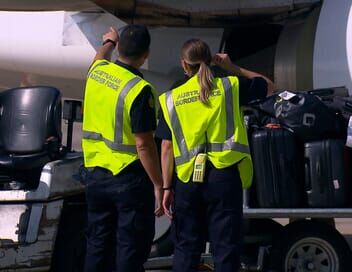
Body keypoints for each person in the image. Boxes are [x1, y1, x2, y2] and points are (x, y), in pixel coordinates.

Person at [156, 38, 273, 272]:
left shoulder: (171, 98)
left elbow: (167, 147)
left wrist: (167, 188)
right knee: (226, 247)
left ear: (183, 65)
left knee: (187, 246)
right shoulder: (230, 87)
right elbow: (268, 85)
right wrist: (232, 67)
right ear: (210, 61)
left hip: (187, 181)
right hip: (223, 177)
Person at [82, 25, 164, 272]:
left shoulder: (97, 71)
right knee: (130, 248)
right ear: (146, 54)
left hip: (95, 174)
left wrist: (107, 41)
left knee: (97, 244)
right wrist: (159, 184)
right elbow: (144, 144)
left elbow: (99, 57)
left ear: (118, 47)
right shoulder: (139, 89)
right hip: (128, 179)